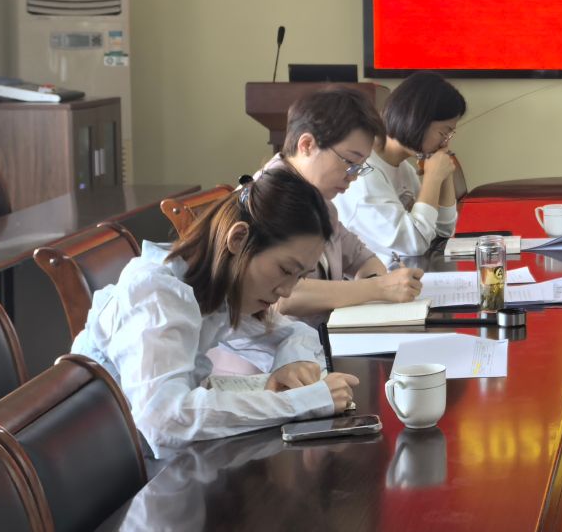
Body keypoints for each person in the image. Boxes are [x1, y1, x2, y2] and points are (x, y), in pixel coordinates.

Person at [72, 167, 360, 451]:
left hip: (166, 456)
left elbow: (296, 333)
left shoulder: (218, 286)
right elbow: (164, 419)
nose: (286, 290)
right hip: (119, 464)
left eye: (299, 276)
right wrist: (303, 402)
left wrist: (290, 366)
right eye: (285, 270)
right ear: (238, 239)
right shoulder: (157, 294)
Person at [255, 86, 424, 323]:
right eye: (350, 162)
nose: (353, 177)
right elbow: (282, 296)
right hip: (284, 344)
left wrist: (377, 283)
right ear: (307, 145)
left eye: (360, 167)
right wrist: (378, 288)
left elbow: (361, 258)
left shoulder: (320, 200)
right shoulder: (264, 199)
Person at [339, 71, 467, 262]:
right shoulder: (364, 174)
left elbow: (442, 233)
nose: (445, 143)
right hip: (375, 278)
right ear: (418, 120)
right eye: (444, 133)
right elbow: (413, 244)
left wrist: (444, 173)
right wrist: (432, 178)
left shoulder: (403, 169)